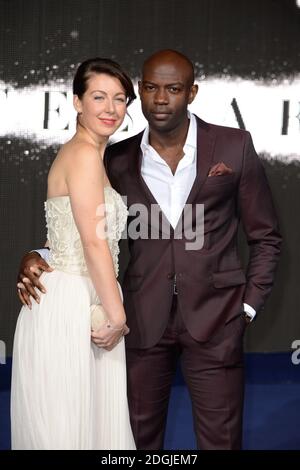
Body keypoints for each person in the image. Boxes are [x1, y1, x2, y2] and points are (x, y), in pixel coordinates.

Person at [17, 50, 282, 450]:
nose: (160, 99)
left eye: (173, 89)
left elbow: (266, 237)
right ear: (140, 92)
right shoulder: (116, 157)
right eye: (150, 89)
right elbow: (82, 227)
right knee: (132, 442)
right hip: (139, 322)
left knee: (221, 442)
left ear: (191, 93)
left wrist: (245, 308)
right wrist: (39, 255)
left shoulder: (233, 145)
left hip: (216, 319)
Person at [11, 57, 137, 450]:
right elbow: (93, 241)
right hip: (72, 304)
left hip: (84, 297)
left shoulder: (92, 154)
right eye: (98, 97)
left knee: (88, 429)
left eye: (119, 99)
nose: (110, 109)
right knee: (69, 429)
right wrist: (117, 314)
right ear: (77, 102)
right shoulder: (83, 155)